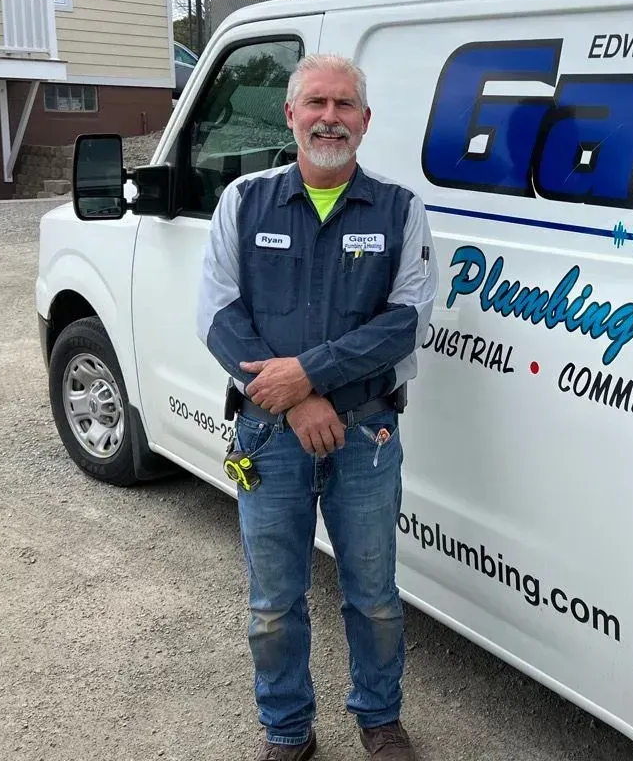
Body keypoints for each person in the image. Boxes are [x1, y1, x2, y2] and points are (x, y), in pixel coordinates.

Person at [196, 53, 438, 761]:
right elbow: (218, 315)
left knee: (374, 595)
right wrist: (298, 402)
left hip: (367, 434)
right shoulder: (244, 200)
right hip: (268, 436)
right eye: (316, 104)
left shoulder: (399, 208)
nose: (329, 118)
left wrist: (307, 375)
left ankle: (379, 718)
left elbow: (405, 321)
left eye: (344, 106)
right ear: (291, 114)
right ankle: (287, 730)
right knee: (273, 604)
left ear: (365, 122)